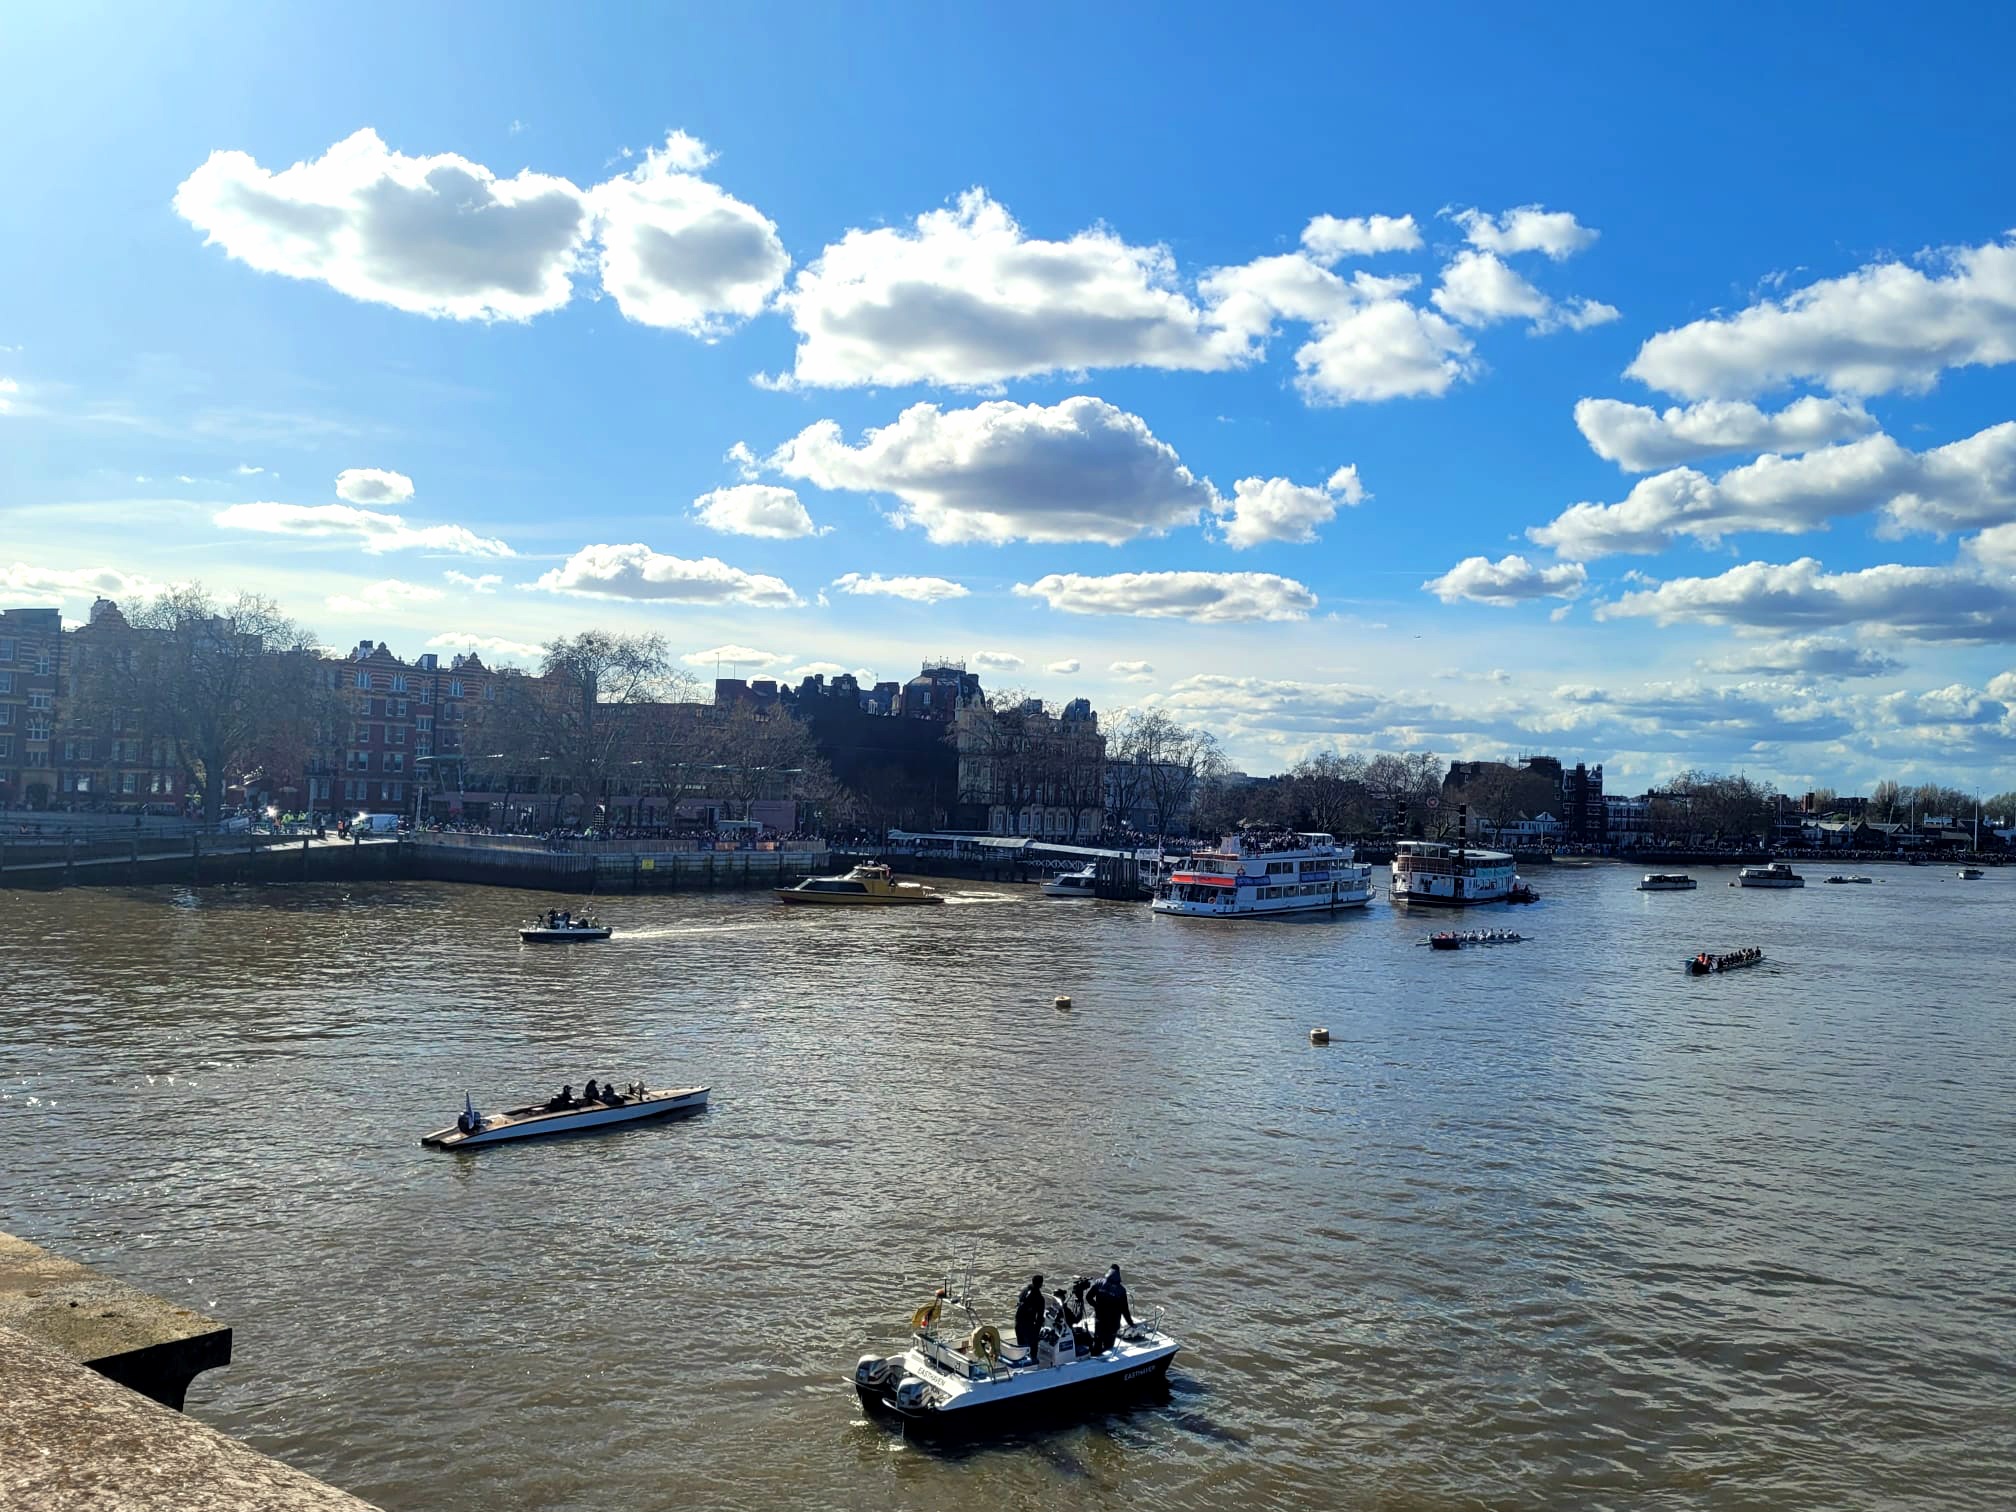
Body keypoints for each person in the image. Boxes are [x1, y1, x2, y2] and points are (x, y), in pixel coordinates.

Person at [1088, 1264, 1134, 1353]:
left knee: (1097, 1341)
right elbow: (1125, 1310)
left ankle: (1095, 1356)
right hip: (1112, 1323)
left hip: (1099, 1319)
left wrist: (1096, 1306)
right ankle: (1107, 1362)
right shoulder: (1121, 1290)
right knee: (1108, 1346)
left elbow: (1088, 1297)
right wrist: (1131, 1323)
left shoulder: (1098, 1283)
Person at [1014, 1274, 1046, 1351]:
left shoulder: (1024, 1291)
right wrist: (1036, 1333)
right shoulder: (1039, 1298)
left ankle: (1021, 1358)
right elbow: (1040, 1317)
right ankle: (1033, 1360)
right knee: (1033, 1344)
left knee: (1021, 1344)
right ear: (1041, 1284)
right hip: (1027, 1324)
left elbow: (1021, 1303)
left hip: (1018, 1322)